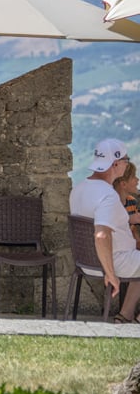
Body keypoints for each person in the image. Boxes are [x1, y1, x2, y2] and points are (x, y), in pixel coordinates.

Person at [70, 138, 140, 323]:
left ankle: (126, 315)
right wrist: (111, 274)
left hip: (86, 262)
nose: (127, 164)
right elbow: (101, 235)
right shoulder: (107, 195)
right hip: (116, 262)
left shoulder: (78, 189)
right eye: (126, 160)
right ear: (116, 164)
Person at [112, 160, 140, 250]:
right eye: (133, 177)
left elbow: (134, 230)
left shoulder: (131, 202)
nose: (137, 179)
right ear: (123, 184)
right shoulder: (112, 205)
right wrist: (129, 219)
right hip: (120, 249)